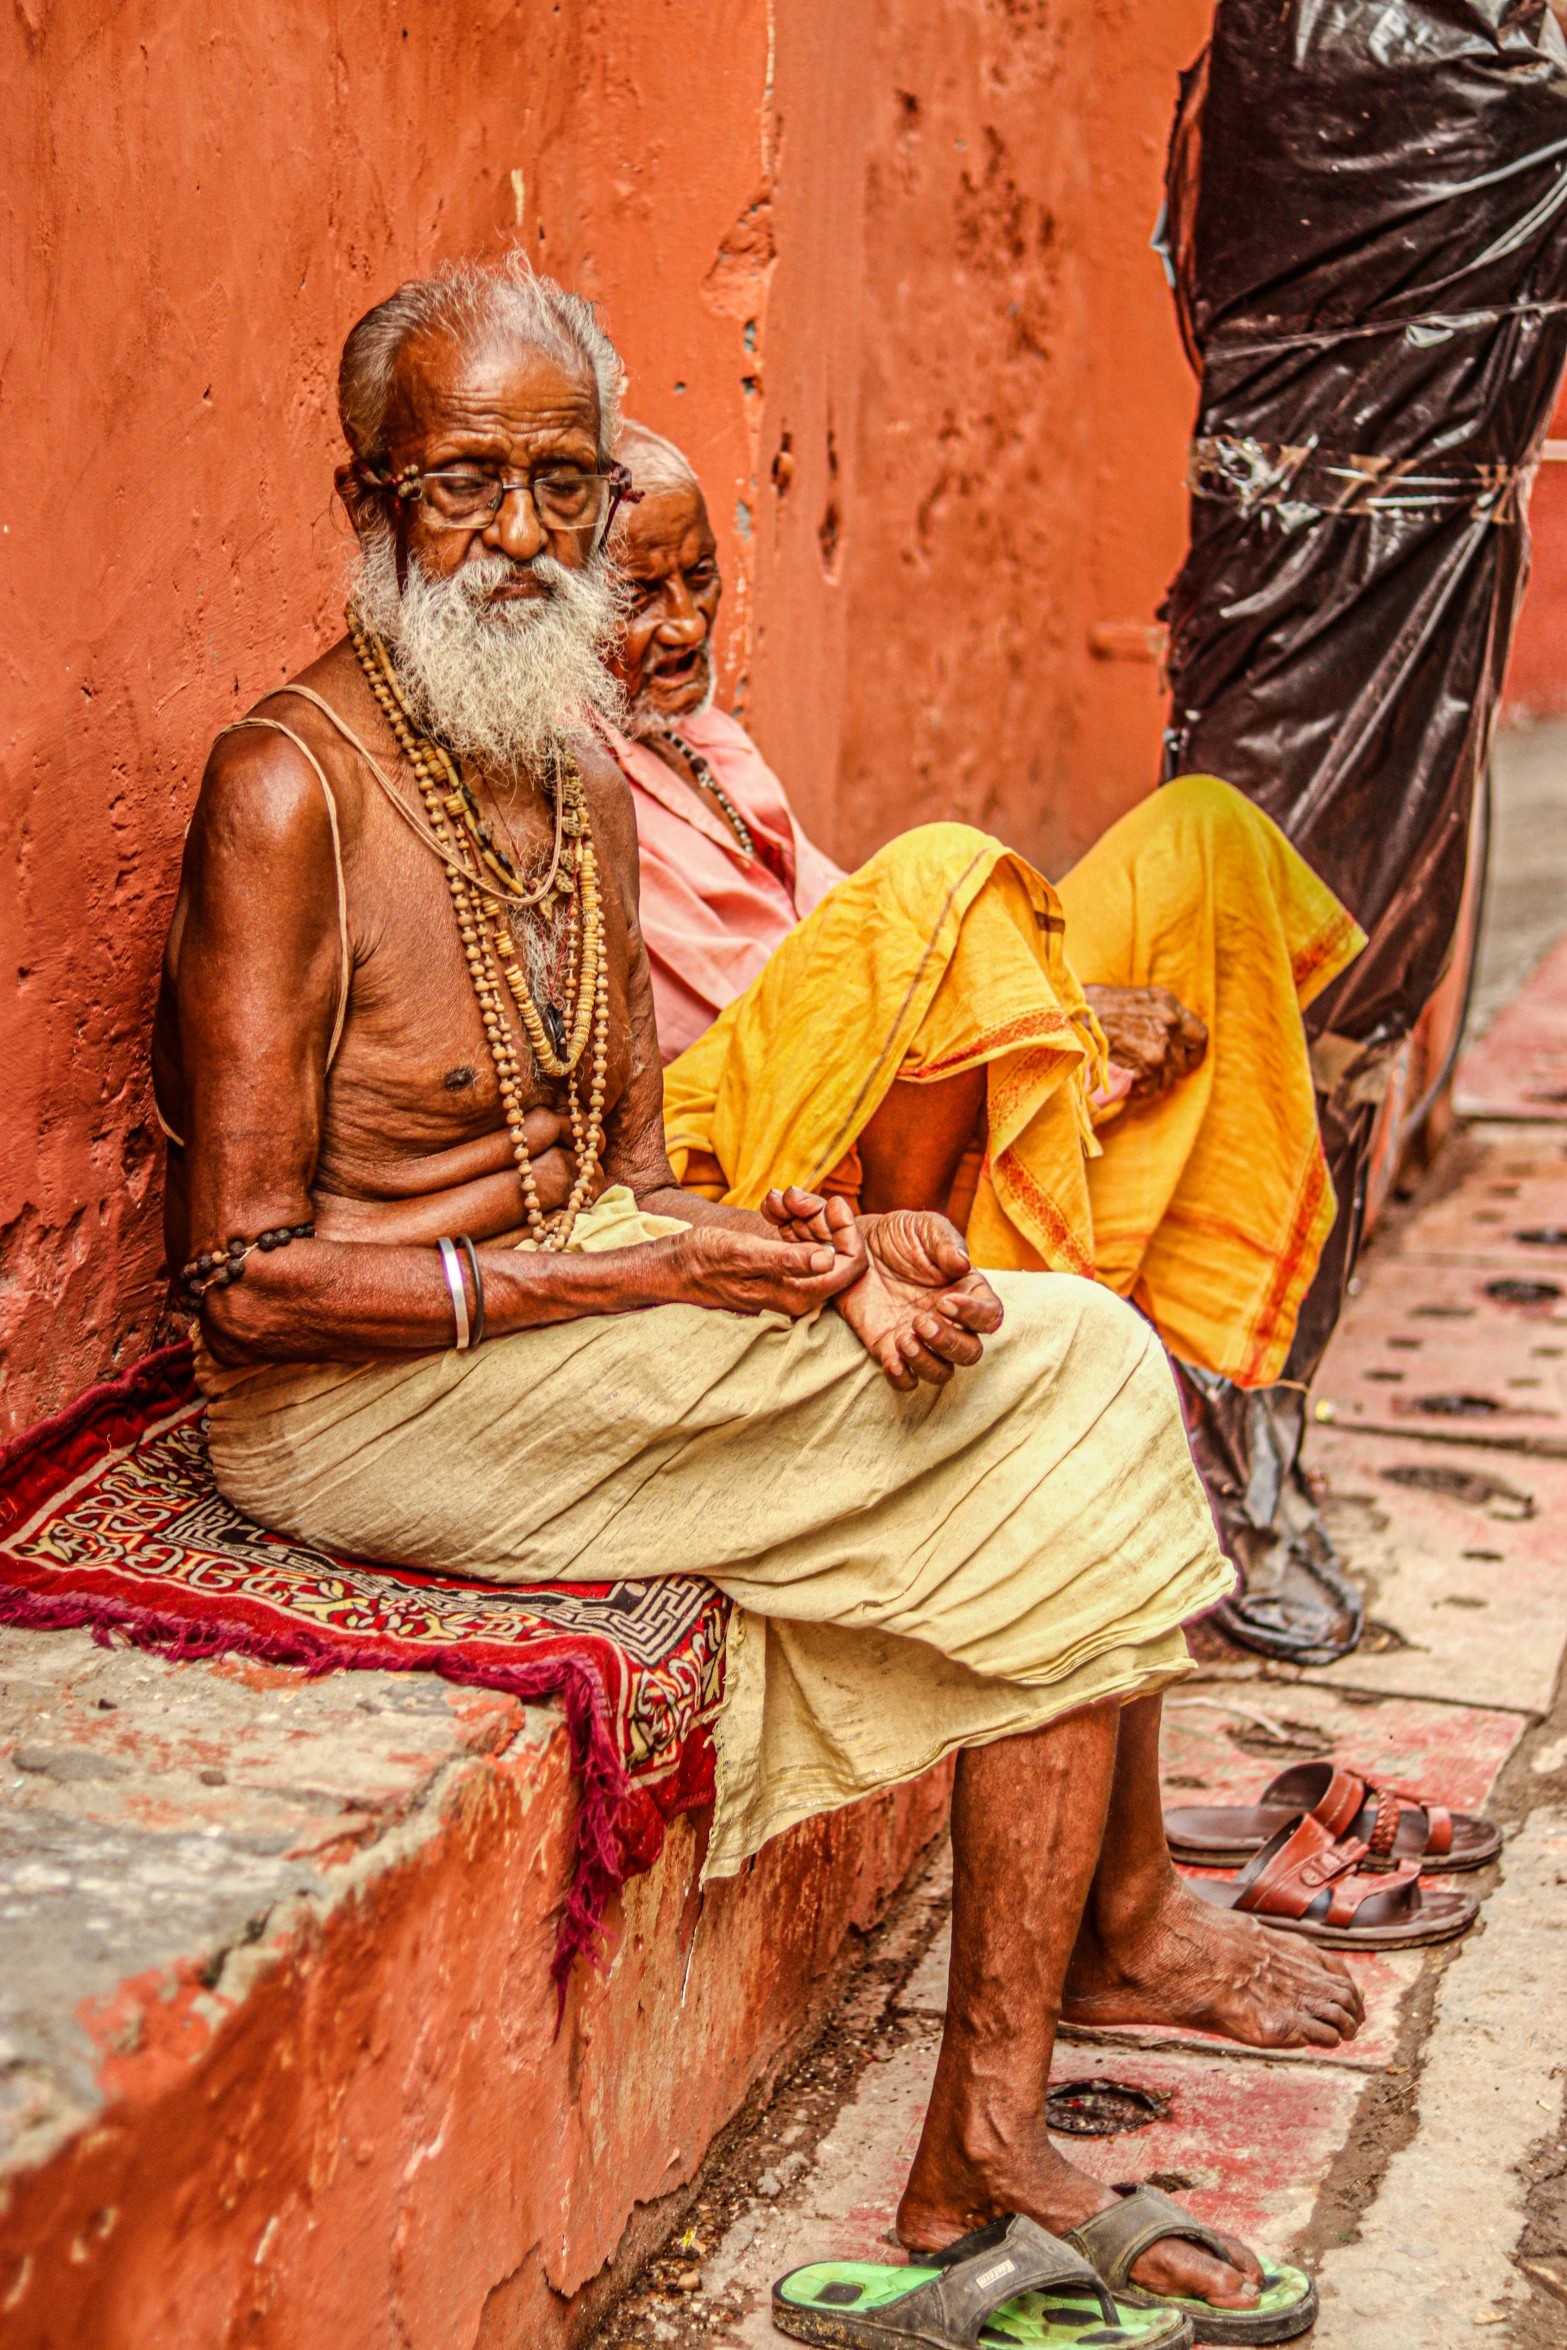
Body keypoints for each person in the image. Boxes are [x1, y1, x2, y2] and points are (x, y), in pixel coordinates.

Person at [152, 259, 1361, 2331]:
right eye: (468, 487)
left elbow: (630, 1173)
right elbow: (245, 1290)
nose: (524, 539)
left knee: (1038, 1331)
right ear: (371, 500)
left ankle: (992, 2122)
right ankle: (995, 2122)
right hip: (355, 1401)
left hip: (555, 1316)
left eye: (559, 483)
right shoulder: (290, 790)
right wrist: (651, 1273)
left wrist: (818, 1247)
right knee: (1065, 1385)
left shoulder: (568, 763)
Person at [605, 422, 1367, 1396]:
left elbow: (847, 923)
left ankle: (1197, 1332)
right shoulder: (568, 775)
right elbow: (804, 983)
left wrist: (1033, 1002)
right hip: (752, 1151)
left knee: (1200, 837)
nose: (683, 625)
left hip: (865, 1056)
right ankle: (921, 1274)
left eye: (698, 579)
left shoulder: (703, 737)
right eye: (639, 596)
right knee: (944, 869)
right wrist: (1062, 1017)